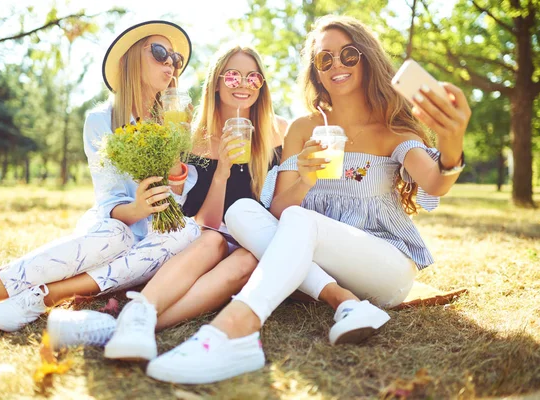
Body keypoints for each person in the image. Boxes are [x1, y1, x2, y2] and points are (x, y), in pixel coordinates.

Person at [145, 15, 472, 384]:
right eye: (325, 58)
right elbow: (280, 210)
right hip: (320, 268)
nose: (337, 65)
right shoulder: (303, 128)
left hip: (385, 268)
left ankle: (235, 329)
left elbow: (436, 181)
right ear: (315, 71)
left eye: (349, 55)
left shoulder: (392, 129)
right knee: (241, 211)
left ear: (367, 59)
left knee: (299, 222)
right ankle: (344, 301)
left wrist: (452, 139)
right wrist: (305, 179)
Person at [0, 20, 205, 332]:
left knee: (186, 233)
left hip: (158, 238)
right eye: (160, 52)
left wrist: (176, 147)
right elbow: (109, 198)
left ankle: (42, 297)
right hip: (115, 226)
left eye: (176, 59)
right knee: (116, 236)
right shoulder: (101, 120)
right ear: (131, 58)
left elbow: (179, 200)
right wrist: (138, 209)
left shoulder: (180, 120)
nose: (170, 64)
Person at [47, 43, 288, 361]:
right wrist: (222, 173)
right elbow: (203, 220)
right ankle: (134, 319)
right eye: (232, 77)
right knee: (212, 241)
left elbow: (281, 207)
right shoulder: (188, 134)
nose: (243, 84)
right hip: (200, 239)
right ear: (216, 82)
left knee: (247, 260)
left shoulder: (280, 131)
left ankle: (120, 325)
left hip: (250, 242)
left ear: (262, 85)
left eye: (254, 77)